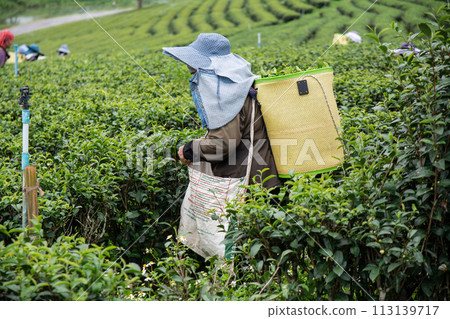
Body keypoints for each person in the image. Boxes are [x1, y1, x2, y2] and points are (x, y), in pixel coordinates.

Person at [162, 33, 281, 190]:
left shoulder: (226, 94)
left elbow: (222, 144)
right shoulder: (240, 85)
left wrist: (189, 150)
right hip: (264, 179)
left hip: (248, 187)